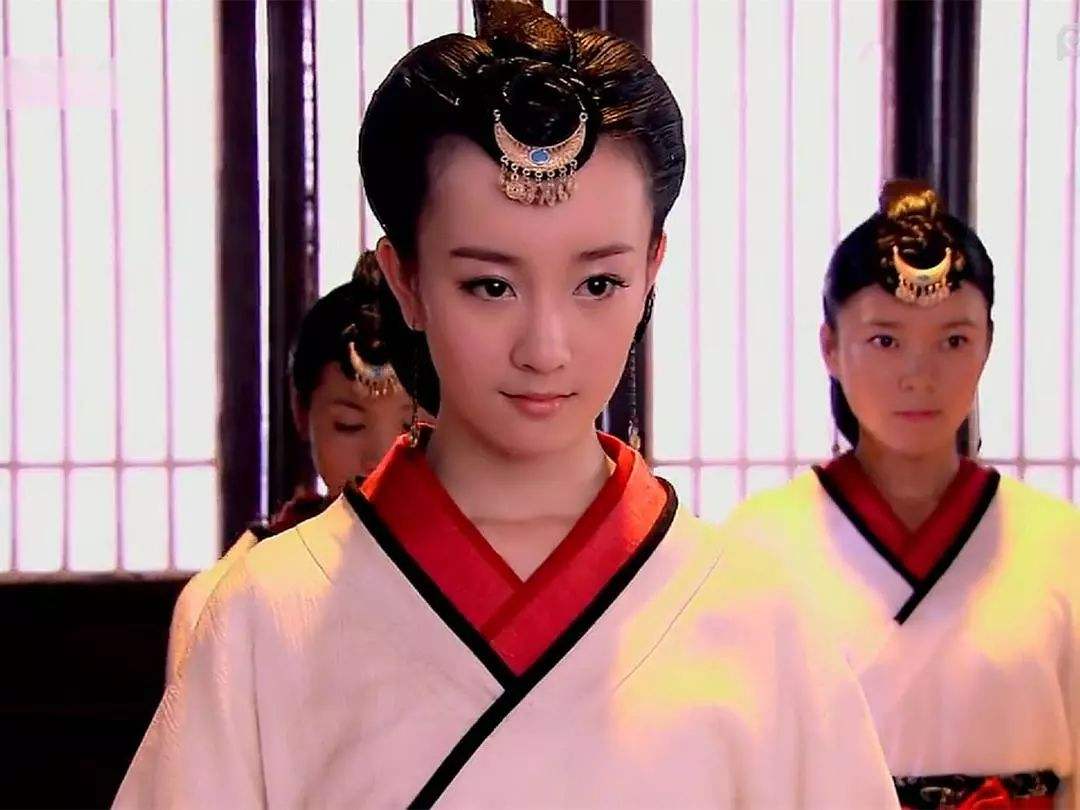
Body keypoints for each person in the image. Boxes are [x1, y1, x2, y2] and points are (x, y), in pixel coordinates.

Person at [116, 3, 897, 806]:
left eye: (599, 283)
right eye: (490, 285)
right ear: (406, 280)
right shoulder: (267, 613)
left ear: (652, 270)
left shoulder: (760, 615)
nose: (545, 347)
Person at [721, 179, 1080, 809]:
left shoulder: (1061, 542)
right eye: (885, 340)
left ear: (988, 345)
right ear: (831, 347)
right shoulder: (757, 545)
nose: (919, 375)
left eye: (953, 340)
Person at [165, 252, 417, 683]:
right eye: (348, 425)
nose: (378, 457)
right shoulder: (228, 594)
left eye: (410, 426)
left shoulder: (499, 566)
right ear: (302, 413)